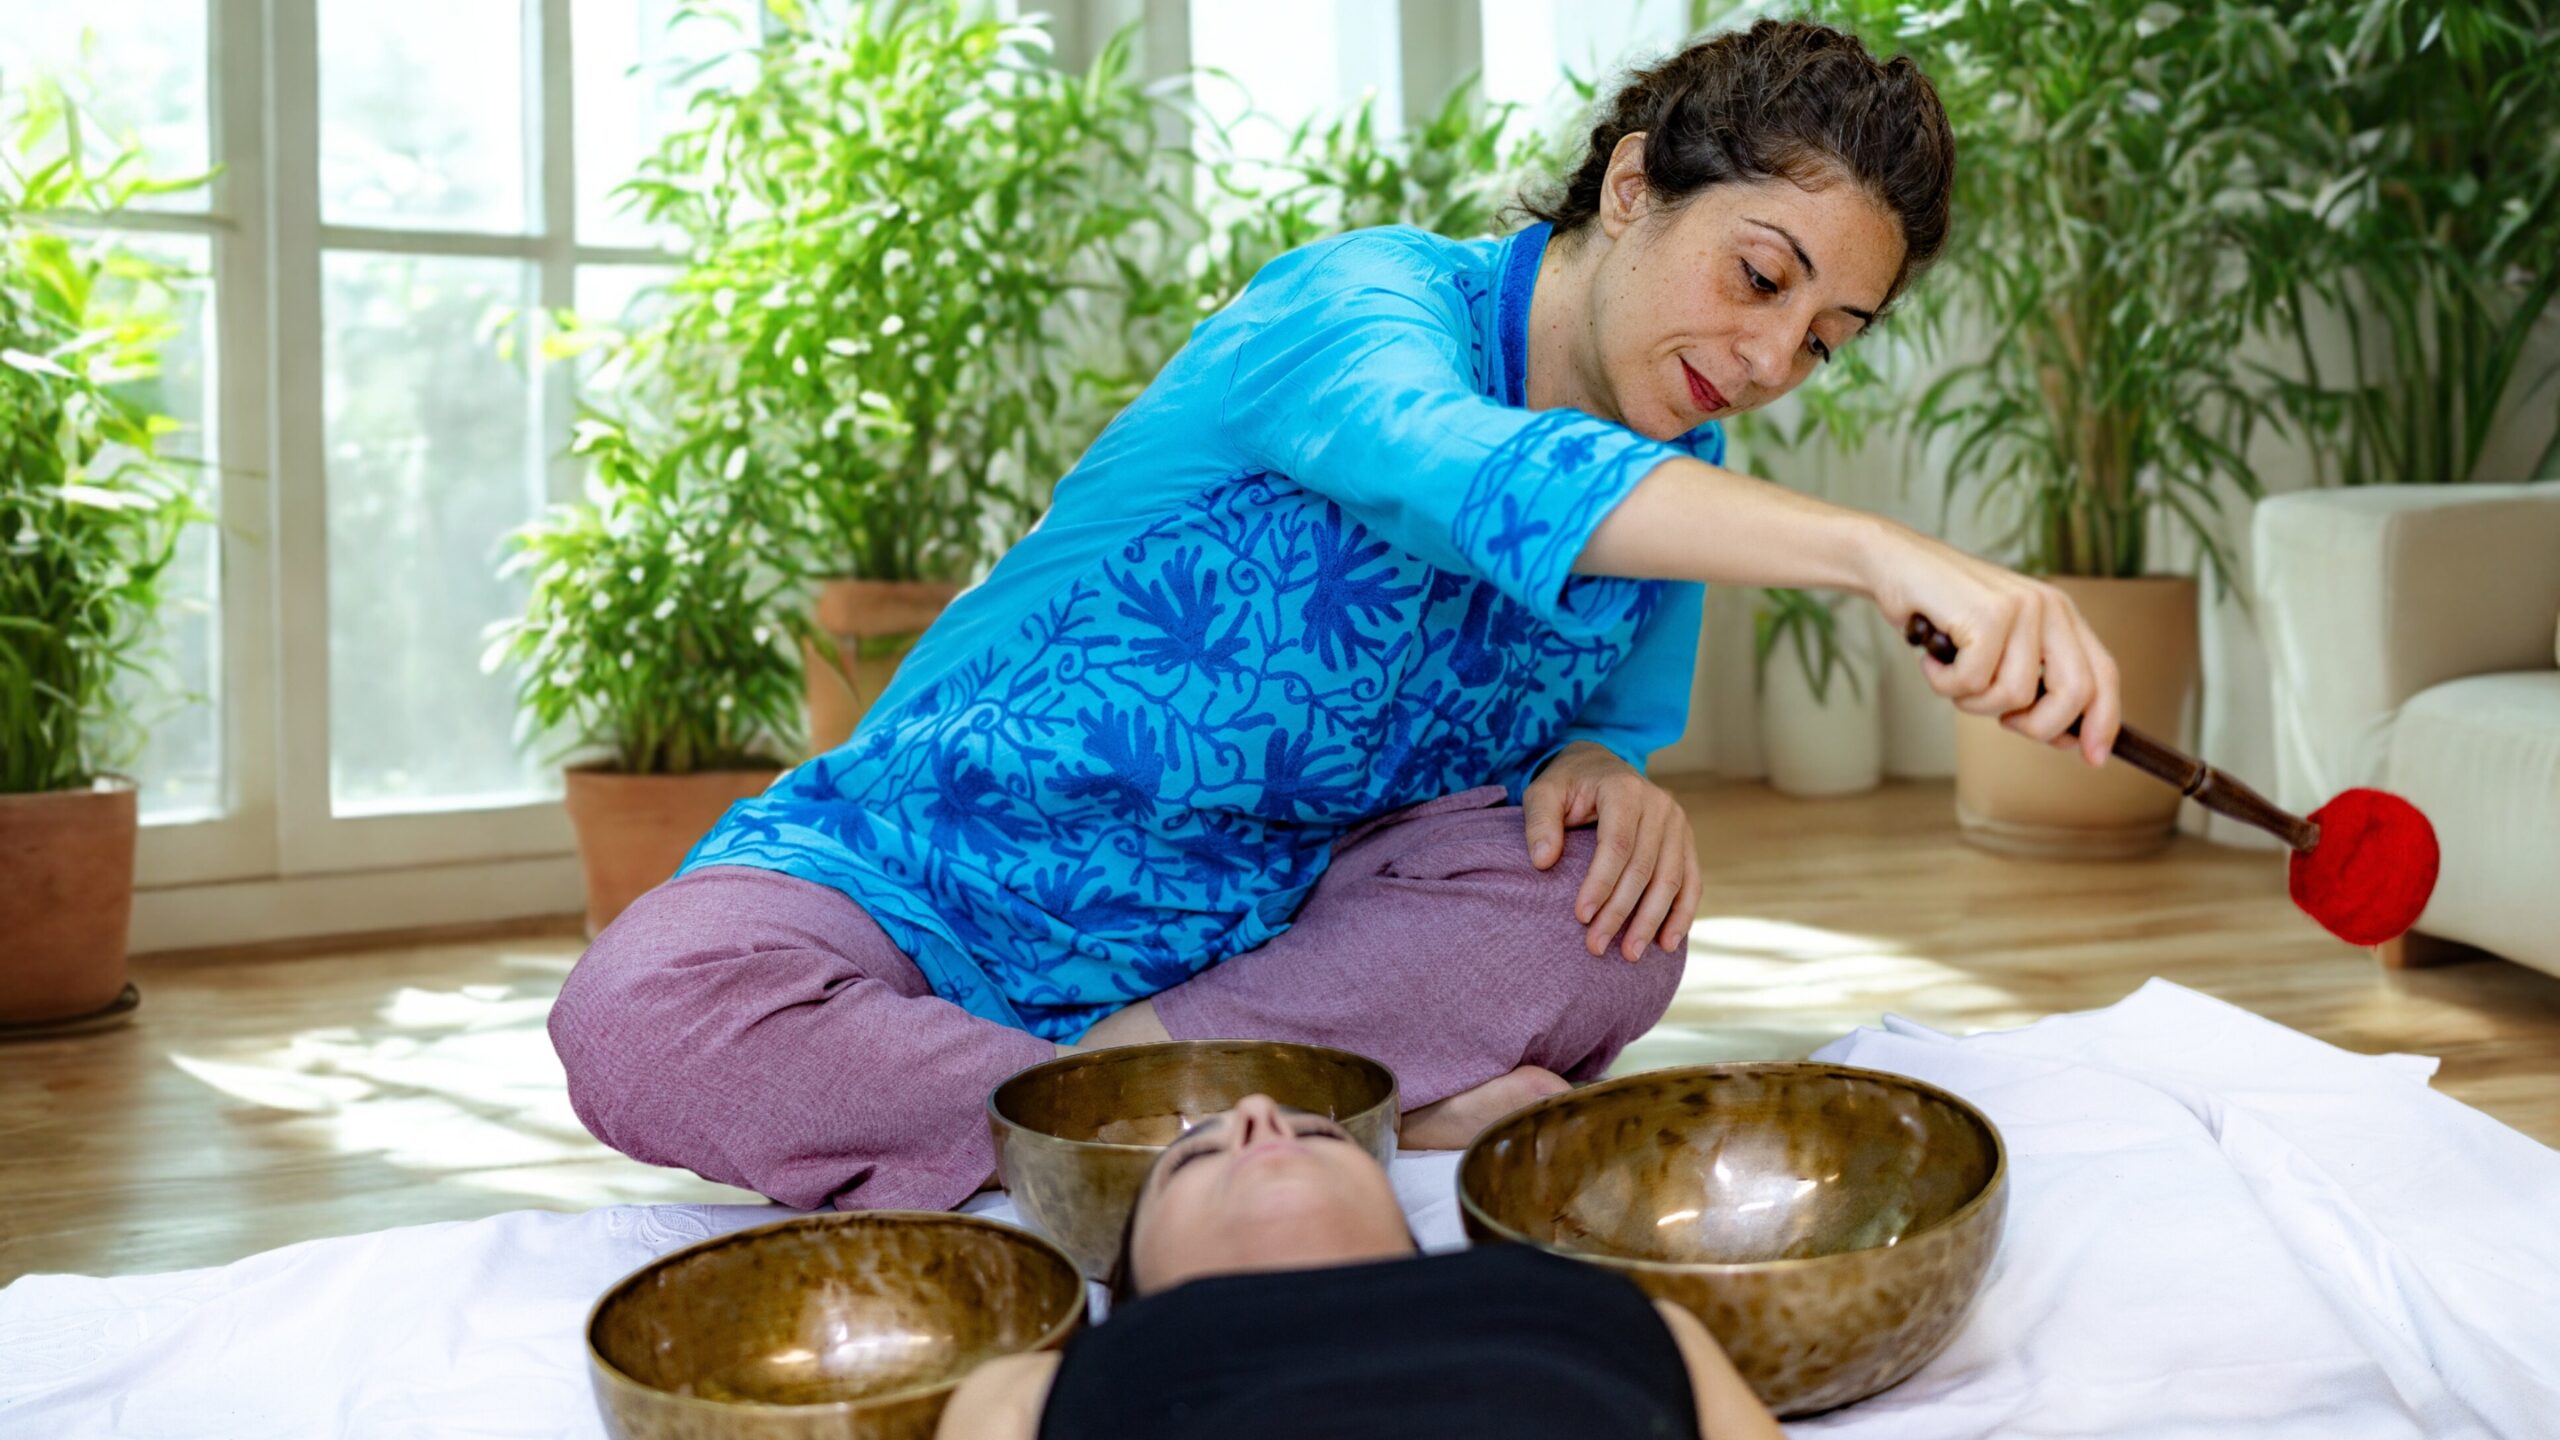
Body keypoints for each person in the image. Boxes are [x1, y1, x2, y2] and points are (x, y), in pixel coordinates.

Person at [550, 19, 2122, 1212]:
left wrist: (1606, 777)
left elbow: (1598, 730)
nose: (1774, 359)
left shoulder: (1680, 473)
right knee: (640, 1015)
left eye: (1828, 338)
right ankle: (1284, 1110)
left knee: (1602, 911)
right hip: (936, 869)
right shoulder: (1360, 306)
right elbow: (1469, 469)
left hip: (1262, 939)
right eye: (1761, 278)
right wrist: (1876, 553)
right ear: (1634, 187)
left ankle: (1121, 1113)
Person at [936, 1093, 1785, 1440]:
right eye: (1192, 1159)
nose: (1260, 1111)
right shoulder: (1034, 1387)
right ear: (1132, 1291)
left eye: (1321, 1134)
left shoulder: (1610, 1310)